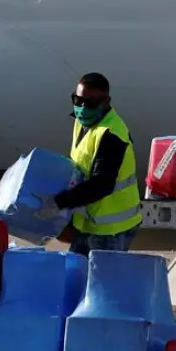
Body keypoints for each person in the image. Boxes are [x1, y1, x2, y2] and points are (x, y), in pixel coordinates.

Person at [40, 72, 141, 257]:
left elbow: (101, 184)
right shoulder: (83, 122)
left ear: (106, 102)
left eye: (90, 103)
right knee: (76, 272)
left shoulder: (111, 135)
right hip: (88, 223)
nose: (82, 108)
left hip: (111, 229)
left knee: (100, 276)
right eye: (78, 100)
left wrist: (59, 202)